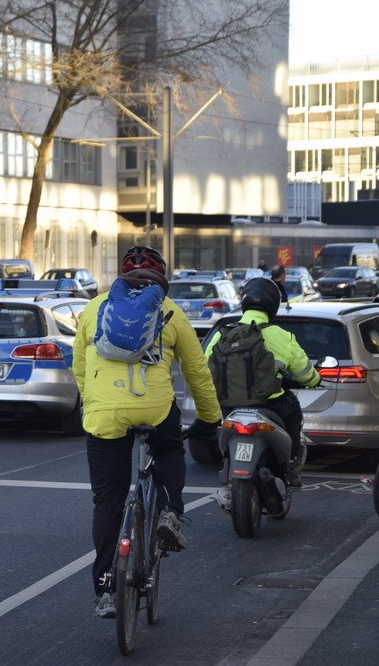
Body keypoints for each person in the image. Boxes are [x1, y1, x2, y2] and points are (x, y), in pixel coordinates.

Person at [72, 246, 222, 619]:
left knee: (107, 499)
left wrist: (94, 403)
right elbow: (197, 371)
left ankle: (106, 588)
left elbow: (77, 365)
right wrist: (209, 418)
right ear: (161, 278)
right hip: (153, 408)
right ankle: (170, 512)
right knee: (170, 448)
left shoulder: (94, 309)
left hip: (104, 413)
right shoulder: (171, 312)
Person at [204, 277, 320, 487]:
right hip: (272, 405)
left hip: (230, 407)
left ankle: (228, 463)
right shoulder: (282, 336)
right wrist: (314, 380)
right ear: (273, 305)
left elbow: (204, 369)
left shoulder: (224, 333)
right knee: (293, 411)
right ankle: (292, 463)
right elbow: (306, 374)